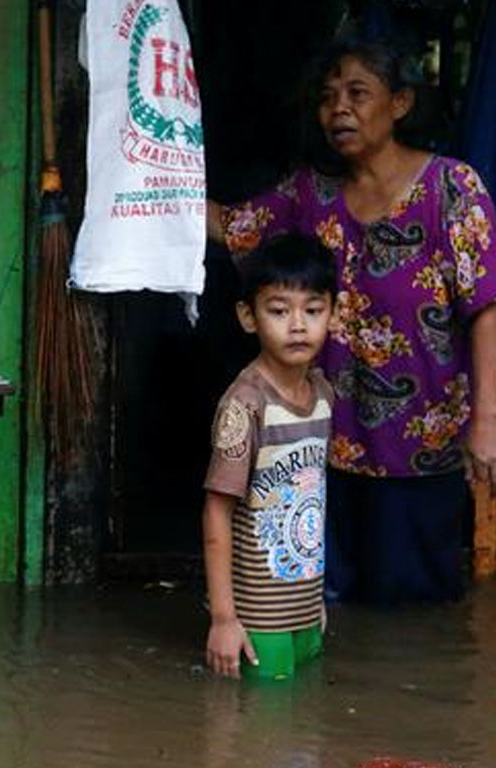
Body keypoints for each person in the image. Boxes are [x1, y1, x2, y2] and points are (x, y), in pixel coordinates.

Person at [206, 38, 496, 605]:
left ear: (399, 103)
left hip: (422, 453)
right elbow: (232, 227)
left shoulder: (451, 188)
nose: (339, 110)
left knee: (418, 625)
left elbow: (488, 304)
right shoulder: (310, 194)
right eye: (328, 99)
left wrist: (489, 420)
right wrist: (143, 188)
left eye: (357, 94)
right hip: (323, 451)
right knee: (324, 611)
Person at [203, 233, 337, 681]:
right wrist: (224, 620)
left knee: (303, 728)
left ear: (332, 313)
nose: (297, 325)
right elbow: (217, 511)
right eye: (279, 311)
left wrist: (311, 596)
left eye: (313, 310)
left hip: (304, 606)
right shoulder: (245, 405)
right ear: (248, 316)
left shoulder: (323, 395)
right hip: (257, 619)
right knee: (265, 729)